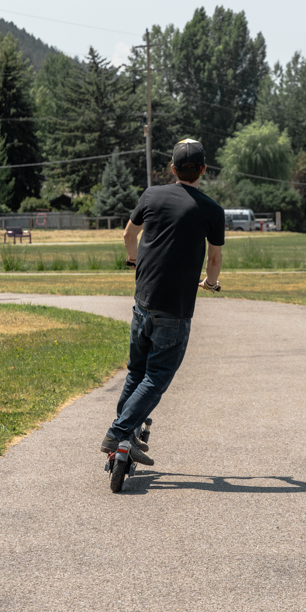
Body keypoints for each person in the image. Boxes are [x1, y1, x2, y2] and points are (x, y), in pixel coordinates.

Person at [100, 138, 225, 465]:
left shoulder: (151, 195)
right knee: (157, 377)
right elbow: (213, 260)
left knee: (136, 372)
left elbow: (129, 236)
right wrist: (210, 284)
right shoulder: (212, 210)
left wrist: (134, 262)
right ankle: (119, 431)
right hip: (175, 309)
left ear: (172, 168)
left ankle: (123, 440)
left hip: (143, 301)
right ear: (203, 170)